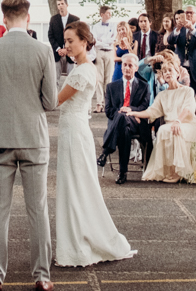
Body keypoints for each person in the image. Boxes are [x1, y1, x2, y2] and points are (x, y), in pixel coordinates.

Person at [0, 0, 59, 291]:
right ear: (28, 18)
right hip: (34, 138)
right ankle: (42, 278)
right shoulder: (43, 51)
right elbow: (50, 102)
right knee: (38, 211)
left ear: (4, 20)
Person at [53, 21, 136, 266]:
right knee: (72, 185)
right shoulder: (79, 68)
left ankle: (80, 243)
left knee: (77, 186)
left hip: (75, 131)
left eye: (70, 41)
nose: (66, 45)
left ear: (84, 42)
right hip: (71, 129)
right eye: (65, 41)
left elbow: (54, 100)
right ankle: (75, 240)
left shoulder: (85, 70)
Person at [133, 62, 196, 183]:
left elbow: (188, 109)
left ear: (177, 73)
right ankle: (169, 171)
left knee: (176, 130)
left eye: (170, 70)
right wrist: (134, 113)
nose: (167, 73)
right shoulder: (162, 95)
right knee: (163, 129)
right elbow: (152, 111)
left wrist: (178, 121)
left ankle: (178, 172)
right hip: (171, 124)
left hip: (188, 124)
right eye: (164, 71)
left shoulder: (188, 91)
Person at [98, 53, 152, 183]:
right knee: (124, 129)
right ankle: (123, 172)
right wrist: (121, 112)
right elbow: (108, 111)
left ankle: (106, 151)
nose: (127, 68)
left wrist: (131, 110)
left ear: (136, 68)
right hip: (122, 125)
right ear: (121, 67)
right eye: (124, 65)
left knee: (123, 118)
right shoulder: (111, 87)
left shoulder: (144, 86)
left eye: (130, 65)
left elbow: (144, 107)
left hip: (137, 123)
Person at [170, 6, 196, 87]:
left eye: (191, 13)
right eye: (186, 12)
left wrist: (192, 28)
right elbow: (170, 41)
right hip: (180, 68)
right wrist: (177, 29)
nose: (188, 14)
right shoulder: (179, 29)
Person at [47, 0, 78, 77]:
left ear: (67, 5)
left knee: (71, 78)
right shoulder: (53, 19)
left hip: (71, 53)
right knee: (55, 78)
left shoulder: (75, 20)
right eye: (58, 4)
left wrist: (67, 49)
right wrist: (58, 49)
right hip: (57, 53)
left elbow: (76, 36)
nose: (60, 6)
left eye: (62, 4)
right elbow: (50, 36)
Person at [93, 4, 117, 85]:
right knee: (99, 77)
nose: (110, 15)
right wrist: (106, 41)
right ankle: (100, 98)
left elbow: (113, 39)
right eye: (108, 13)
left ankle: (107, 97)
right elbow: (95, 41)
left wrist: (102, 40)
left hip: (110, 52)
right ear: (102, 14)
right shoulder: (96, 26)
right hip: (99, 52)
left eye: (110, 13)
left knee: (109, 77)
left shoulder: (113, 25)